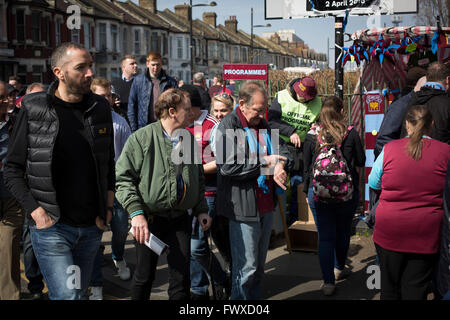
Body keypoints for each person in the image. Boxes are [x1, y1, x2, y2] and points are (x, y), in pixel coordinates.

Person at [4, 42, 115, 300]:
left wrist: (107, 209)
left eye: (90, 66)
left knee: (78, 293)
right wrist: (36, 212)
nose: (89, 73)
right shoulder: (34, 108)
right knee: (69, 296)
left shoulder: (100, 108)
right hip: (52, 226)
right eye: (81, 68)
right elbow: (12, 168)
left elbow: (107, 162)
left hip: (91, 227)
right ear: (59, 73)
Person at [115, 88, 212, 300]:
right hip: (149, 220)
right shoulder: (141, 138)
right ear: (172, 111)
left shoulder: (187, 136)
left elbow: (197, 177)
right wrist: (136, 214)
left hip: (180, 219)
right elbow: (123, 180)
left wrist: (201, 209)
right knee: (144, 276)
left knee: (181, 278)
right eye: (186, 110)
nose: (192, 113)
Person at [215, 81, 293, 300]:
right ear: (242, 104)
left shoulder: (263, 124)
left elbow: (282, 149)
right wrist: (265, 162)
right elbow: (228, 166)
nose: (262, 113)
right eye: (258, 109)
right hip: (242, 206)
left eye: (264, 108)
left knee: (258, 267)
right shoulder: (228, 126)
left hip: (265, 205)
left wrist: (280, 165)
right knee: (246, 268)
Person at [369, 105, 450, 300]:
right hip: (426, 231)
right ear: (432, 125)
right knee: (416, 289)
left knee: (389, 289)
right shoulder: (446, 152)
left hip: (389, 229)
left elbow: (373, 181)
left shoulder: (389, 149)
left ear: (407, 124)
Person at [303, 96, 365, 296]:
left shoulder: (312, 134)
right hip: (346, 192)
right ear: (342, 112)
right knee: (343, 231)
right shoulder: (351, 133)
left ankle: (328, 282)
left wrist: (307, 192)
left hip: (318, 193)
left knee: (325, 237)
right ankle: (339, 267)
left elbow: (306, 167)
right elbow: (362, 161)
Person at [178, 84, 229, 300]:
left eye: (184, 106)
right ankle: (199, 290)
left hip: (209, 193)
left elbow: (222, 161)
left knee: (197, 246)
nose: (180, 110)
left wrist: (194, 169)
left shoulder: (213, 126)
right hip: (185, 193)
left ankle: (221, 279)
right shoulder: (181, 124)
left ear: (194, 107)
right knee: (189, 244)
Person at [89, 78, 132, 300]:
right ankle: (96, 283)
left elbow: (128, 156)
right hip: (92, 188)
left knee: (121, 227)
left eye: (109, 95)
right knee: (93, 238)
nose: (107, 99)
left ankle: (118, 256)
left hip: (116, 187)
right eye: (102, 95)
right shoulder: (85, 120)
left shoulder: (120, 123)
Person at [268, 76, 322, 226]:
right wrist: (290, 131)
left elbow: (320, 122)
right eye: (301, 96)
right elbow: (271, 121)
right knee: (279, 184)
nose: (304, 100)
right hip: (280, 144)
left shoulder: (318, 103)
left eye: (307, 98)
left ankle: (294, 221)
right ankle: (278, 225)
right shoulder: (281, 96)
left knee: (299, 185)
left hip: (302, 147)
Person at [19, 82, 47, 300]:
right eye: (34, 99)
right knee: (30, 243)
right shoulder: (20, 125)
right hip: (31, 195)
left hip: (54, 195)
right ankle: (36, 286)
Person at [0, 81, 24, 300]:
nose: (7, 100)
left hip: (12, 198)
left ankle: (11, 296)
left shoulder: (16, 123)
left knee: (9, 251)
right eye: (2, 97)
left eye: (8, 96)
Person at [374, 70, 427, 159]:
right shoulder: (402, 103)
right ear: (417, 83)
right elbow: (384, 138)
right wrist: (396, 162)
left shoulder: (403, 101)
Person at [127, 51, 178, 132]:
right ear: (147, 64)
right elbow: (132, 106)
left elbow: (177, 106)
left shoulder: (171, 82)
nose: (155, 68)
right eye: (153, 65)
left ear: (161, 64)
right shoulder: (138, 81)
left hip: (165, 126)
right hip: (144, 127)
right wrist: (134, 129)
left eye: (158, 65)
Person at [404, 62, 450, 144]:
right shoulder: (447, 104)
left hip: (412, 154)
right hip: (442, 155)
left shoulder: (410, 102)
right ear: (447, 80)